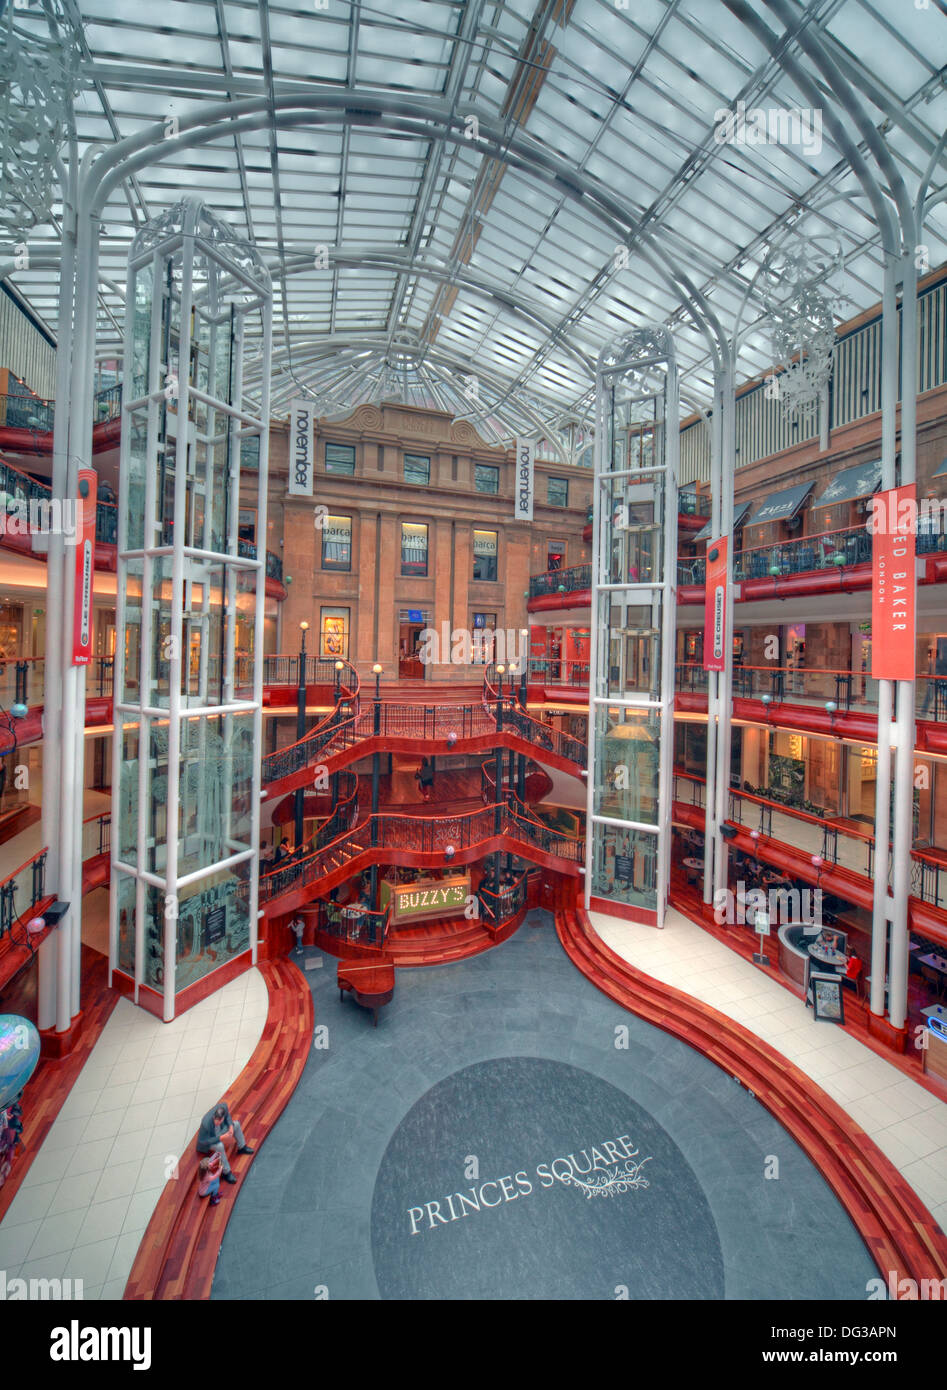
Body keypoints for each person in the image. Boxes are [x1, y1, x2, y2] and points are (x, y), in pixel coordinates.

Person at [196, 1102, 254, 1183]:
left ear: (222, 1118)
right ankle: (226, 1173)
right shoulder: (206, 1123)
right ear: (213, 1117)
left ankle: (242, 1147)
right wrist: (222, 1137)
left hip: (220, 1131)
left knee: (236, 1124)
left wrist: (230, 1126)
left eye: (220, 1121)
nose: (218, 1123)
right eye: (216, 1121)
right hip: (208, 1141)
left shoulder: (223, 1107)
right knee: (219, 1146)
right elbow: (206, 1141)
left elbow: (228, 1117)